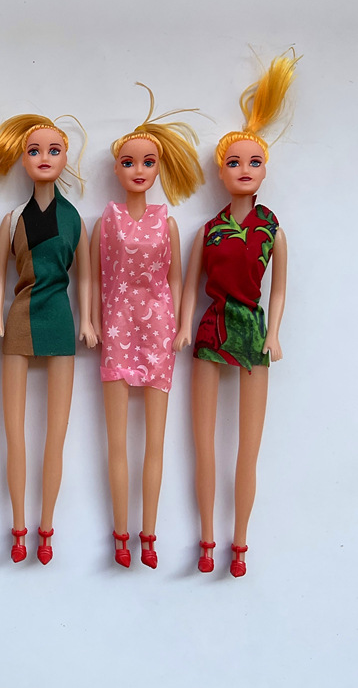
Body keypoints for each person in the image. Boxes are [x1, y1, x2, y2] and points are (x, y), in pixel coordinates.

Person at [174, 53, 296, 577]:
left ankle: (239, 542)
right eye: (233, 162)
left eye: (253, 162)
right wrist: (184, 326)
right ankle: (206, 539)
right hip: (210, 330)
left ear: (265, 169)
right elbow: (188, 287)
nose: (244, 169)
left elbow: (280, 287)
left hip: (253, 334)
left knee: (248, 449)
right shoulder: (209, 231)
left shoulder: (272, 229)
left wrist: (275, 333)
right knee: (204, 446)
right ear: (220, 170)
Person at [90, 85, 203, 568]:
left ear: (158, 169)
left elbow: (175, 278)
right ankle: (121, 534)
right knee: (117, 440)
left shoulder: (167, 222)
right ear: (116, 170)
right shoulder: (107, 220)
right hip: (116, 328)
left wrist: (179, 325)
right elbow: (93, 278)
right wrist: (92, 321)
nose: (139, 170)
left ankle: (149, 534)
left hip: (158, 328)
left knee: (154, 440)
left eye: (148, 162)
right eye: (129, 162)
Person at [0, 114, 97, 564]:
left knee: (56, 434)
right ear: (23, 160)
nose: (44, 158)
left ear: (66, 158)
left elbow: (86, 278)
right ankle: (17, 527)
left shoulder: (74, 219)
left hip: (62, 320)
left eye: (53, 150)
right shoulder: (12, 219)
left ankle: (46, 527)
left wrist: (88, 320)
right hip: (19, 318)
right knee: (14, 433)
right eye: (34, 150)